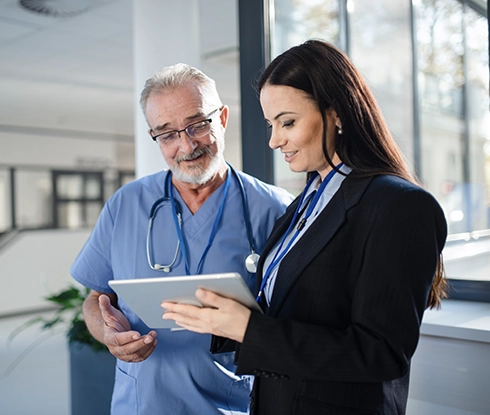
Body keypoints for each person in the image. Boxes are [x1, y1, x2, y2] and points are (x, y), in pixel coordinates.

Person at [161, 40, 448, 415]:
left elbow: (381, 354)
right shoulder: (305, 203)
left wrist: (251, 330)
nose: (274, 140)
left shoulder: (399, 206)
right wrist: (228, 316)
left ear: (337, 114)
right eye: (270, 124)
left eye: (288, 122)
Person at [70, 63, 293, 415]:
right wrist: (109, 335)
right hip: (140, 405)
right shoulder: (126, 205)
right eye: (168, 134)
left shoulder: (274, 209)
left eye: (197, 125)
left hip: (233, 403)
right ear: (155, 137)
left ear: (221, 118)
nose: (186, 145)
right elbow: (96, 298)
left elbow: (294, 321)